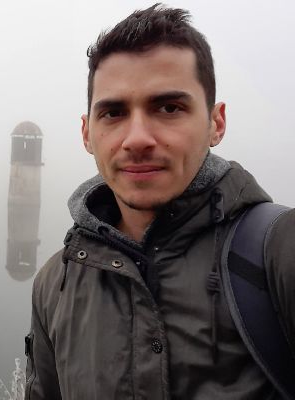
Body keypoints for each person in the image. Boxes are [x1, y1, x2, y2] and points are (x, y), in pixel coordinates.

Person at [25, 4, 294, 399]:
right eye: (113, 112)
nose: (137, 139)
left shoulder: (279, 254)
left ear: (216, 123)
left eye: (169, 108)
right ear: (86, 133)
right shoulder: (55, 284)